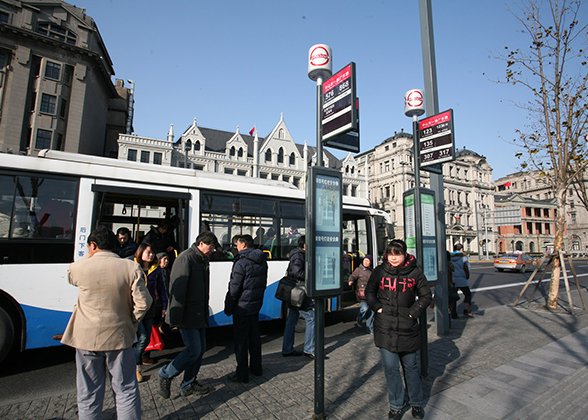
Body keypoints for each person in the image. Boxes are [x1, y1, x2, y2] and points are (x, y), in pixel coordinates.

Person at [61, 228, 152, 420]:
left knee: (88, 392)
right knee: (125, 389)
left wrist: (90, 254)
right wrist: (132, 320)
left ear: (93, 246)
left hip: (86, 338)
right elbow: (144, 303)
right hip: (119, 336)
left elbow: (71, 275)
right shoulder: (130, 268)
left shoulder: (79, 268)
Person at [365, 239, 431, 420]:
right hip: (385, 327)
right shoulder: (379, 271)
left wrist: (413, 313)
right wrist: (377, 307)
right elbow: (369, 292)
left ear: (405, 255)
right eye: (391, 254)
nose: (394, 258)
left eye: (398, 254)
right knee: (391, 368)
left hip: (407, 327)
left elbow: (426, 295)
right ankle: (395, 405)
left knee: (411, 366)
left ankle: (416, 403)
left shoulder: (415, 273)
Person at [158, 231, 218, 399]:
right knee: (194, 350)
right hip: (187, 314)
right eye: (211, 247)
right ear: (201, 244)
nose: (212, 250)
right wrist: (175, 317)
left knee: (200, 350)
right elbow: (178, 290)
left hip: (199, 313)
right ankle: (166, 374)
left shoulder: (202, 259)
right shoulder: (186, 259)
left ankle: (188, 384)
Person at [223, 234, 268, 383]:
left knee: (241, 341)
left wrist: (228, 307)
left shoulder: (241, 263)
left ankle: (242, 374)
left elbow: (234, 289)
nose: (236, 246)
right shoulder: (262, 260)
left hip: (241, 307)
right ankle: (256, 368)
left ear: (243, 245)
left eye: (237, 244)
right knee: (254, 338)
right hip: (255, 305)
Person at [133, 243, 168, 381]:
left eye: (152, 252)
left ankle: (133, 360)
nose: (151, 255)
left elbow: (161, 289)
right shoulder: (132, 267)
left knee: (146, 339)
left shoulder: (156, 269)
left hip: (150, 308)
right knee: (141, 339)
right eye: (148, 252)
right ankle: (136, 368)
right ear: (140, 253)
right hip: (135, 309)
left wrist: (165, 306)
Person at [281, 235, 317, 359]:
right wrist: (310, 275)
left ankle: (287, 349)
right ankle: (309, 349)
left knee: (292, 319)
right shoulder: (299, 255)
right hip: (299, 292)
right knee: (312, 318)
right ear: (305, 245)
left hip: (294, 292)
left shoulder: (297, 254)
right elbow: (297, 272)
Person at [348, 255, 374, 334]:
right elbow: (352, 276)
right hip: (361, 294)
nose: (365, 262)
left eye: (367, 261)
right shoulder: (358, 270)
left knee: (371, 312)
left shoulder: (371, 271)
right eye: (365, 260)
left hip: (370, 294)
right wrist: (350, 281)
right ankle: (359, 318)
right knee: (365, 309)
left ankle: (369, 328)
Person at [450, 243, 474, 318]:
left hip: (453, 279)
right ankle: (467, 310)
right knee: (467, 294)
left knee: (453, 296)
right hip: (462, 279)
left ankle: (453, 313)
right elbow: (466, 268)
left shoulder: (450, 257)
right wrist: (467, 276)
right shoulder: (463, 257)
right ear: (461, 249)